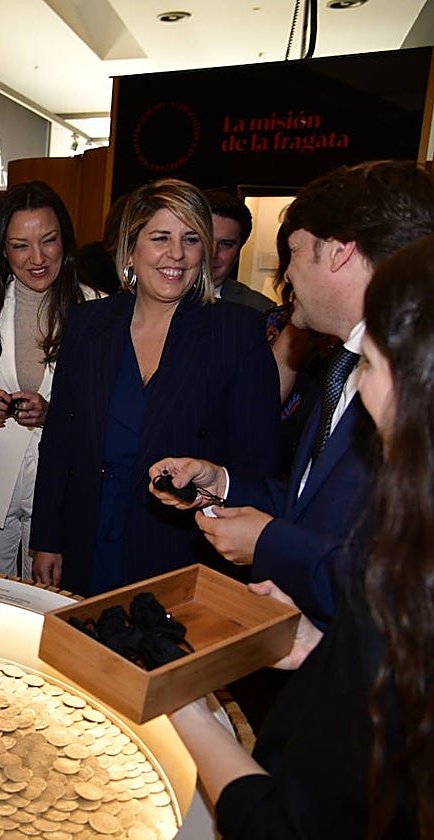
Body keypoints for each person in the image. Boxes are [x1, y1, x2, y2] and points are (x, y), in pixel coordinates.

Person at [165, 234, 434, 840]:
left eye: (371, 362)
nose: (361, 386)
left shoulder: (396, 585)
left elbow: (284, 823)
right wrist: (323, 651)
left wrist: (180, 704)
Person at [149, 161, 434, 627]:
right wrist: (221, 483)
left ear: (339, 254)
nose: (286, 275)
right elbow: (315, 504)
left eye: (296, 252)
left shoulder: (412, 380)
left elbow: (405, 578)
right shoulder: (348, 366)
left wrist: (269, 543)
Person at [30, 178, 279, 596]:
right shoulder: (89, 324)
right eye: (160, 237)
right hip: (87, 533)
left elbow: (259, 462)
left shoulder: (236, 332)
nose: (177, 254)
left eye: (191, 239)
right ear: (130, 248)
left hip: (180, 546)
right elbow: (60, 442)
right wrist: (47, 539)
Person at [0, 182, 95, 579]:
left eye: (49, 240)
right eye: (20, 245)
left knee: (45, 605)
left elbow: (102, 405)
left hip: (59, 483)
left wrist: (54, 413)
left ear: (65, 240)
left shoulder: (94, 306)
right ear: (4, 250)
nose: (38, 258)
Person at [205, 189, 274, 313]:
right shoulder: (160, 298)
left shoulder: (259, 309)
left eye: (226, 244)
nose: (212, 253)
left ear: (238, 252)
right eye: (205, 240)